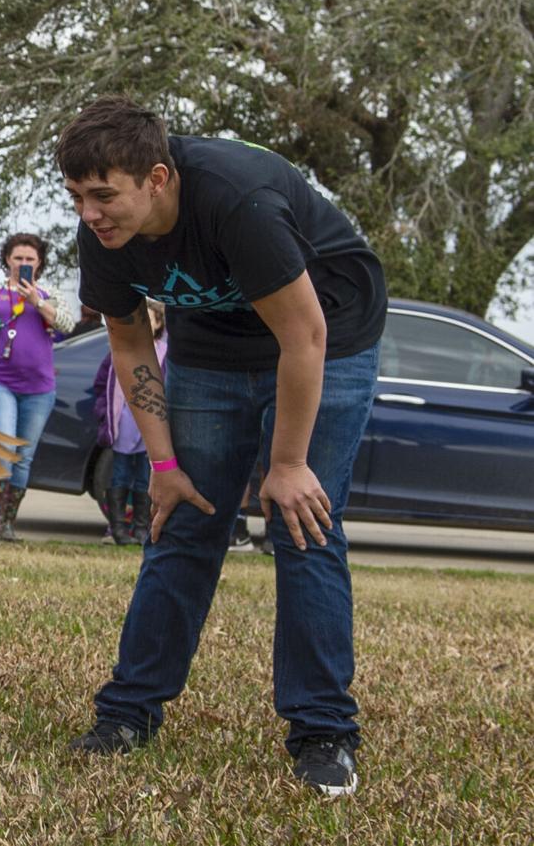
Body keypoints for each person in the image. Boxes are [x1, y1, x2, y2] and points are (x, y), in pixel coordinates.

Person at [58, 96, 386, 797]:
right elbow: (129, 343)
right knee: (183, 522)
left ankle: (323, 732)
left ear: (156, 178)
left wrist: (286, 464)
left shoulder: (237, 199)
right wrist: (164, 465)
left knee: (303, 525)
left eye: (103, 195)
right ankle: (127, 714)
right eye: (77, 196)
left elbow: (304, 336)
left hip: (328, 335)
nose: (89, 213)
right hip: (212, 348)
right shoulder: (103, 235)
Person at [0, 233, 76, 541]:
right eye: (18, 258)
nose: (23, 263)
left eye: (30, 259)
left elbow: (67, 324)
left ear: (39, 263)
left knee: (23, 456)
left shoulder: (50, 294)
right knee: (4, 449)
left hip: (39, 389)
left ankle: (8, 523)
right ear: (7, 260)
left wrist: (37, 302)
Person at [92, 300, 167, 545]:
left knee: (145, 478)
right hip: (123, 424)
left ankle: (141, 527)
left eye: (150, 319)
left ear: (158, 324)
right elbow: (101, 385)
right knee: (120, 475)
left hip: (150, 429)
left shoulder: (165, 354)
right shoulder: (119, 351)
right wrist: (104, 412)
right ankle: (117, 528)